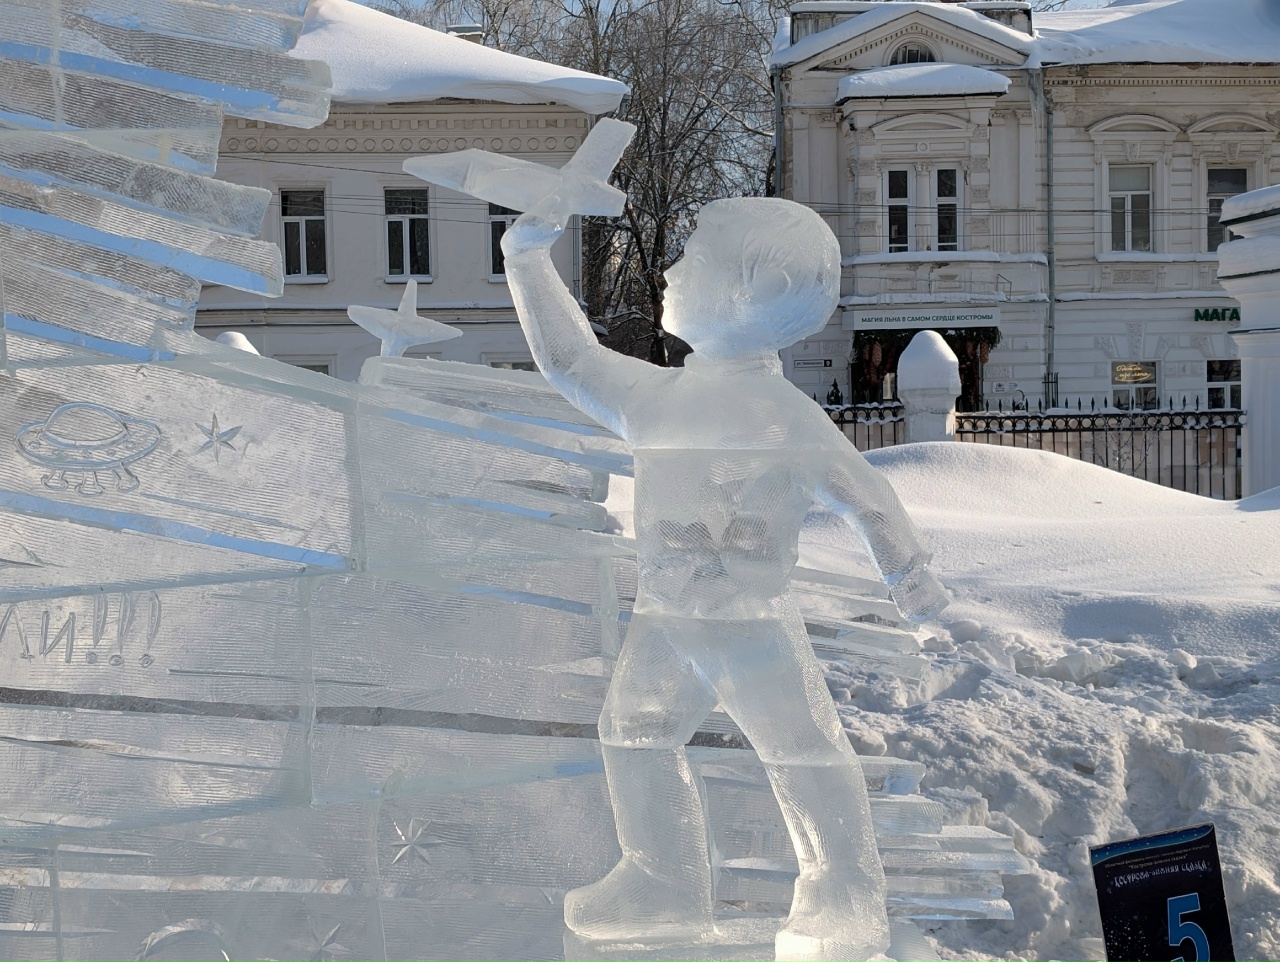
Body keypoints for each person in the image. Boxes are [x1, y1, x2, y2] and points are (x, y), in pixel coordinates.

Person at [502, 195, 947, 962]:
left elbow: (867, 497)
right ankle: (661, 878)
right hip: (668, 615)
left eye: (692, 256)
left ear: (757, 294)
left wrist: (915, 586)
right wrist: (527, 260)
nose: (670, 268)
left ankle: (842, 892)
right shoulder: (660, 397)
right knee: (634, 732)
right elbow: (570, 360)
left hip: (748, 620)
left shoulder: (784, 415)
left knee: (801, 747)